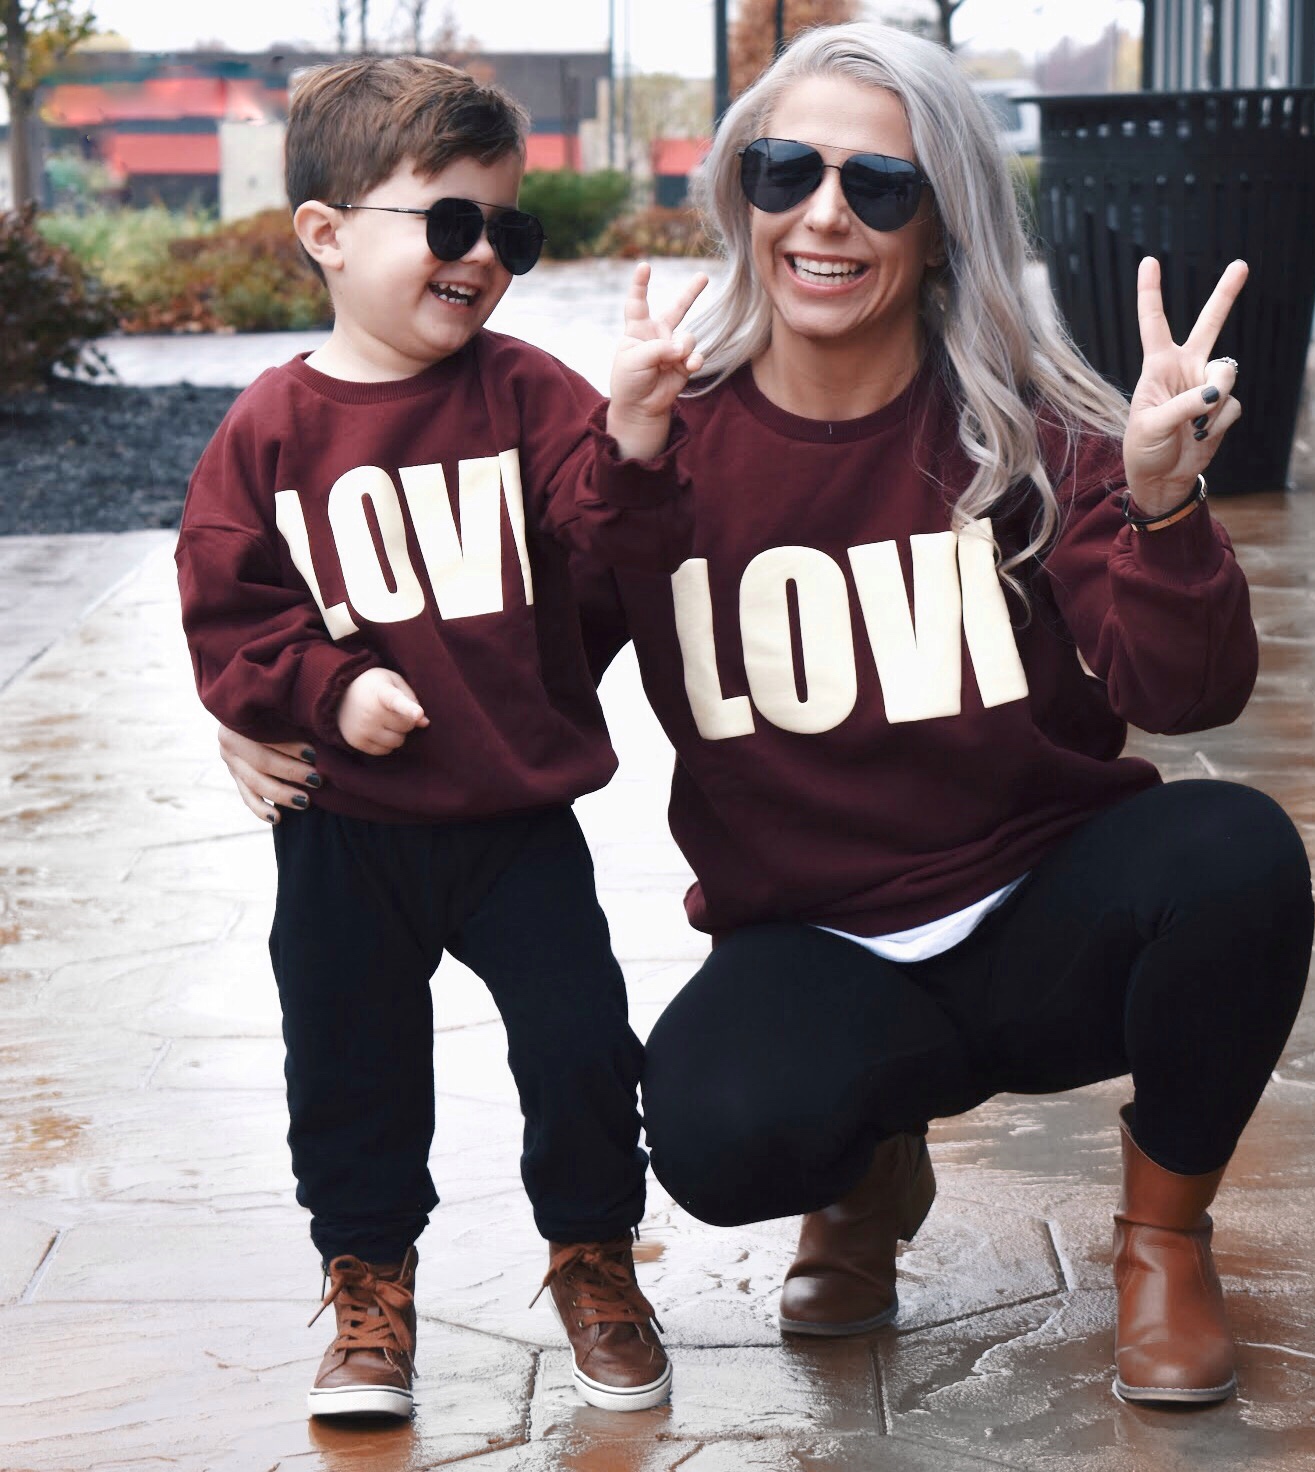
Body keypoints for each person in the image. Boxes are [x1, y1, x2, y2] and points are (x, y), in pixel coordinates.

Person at [217, 24, 1314, 1409]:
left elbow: (1186, 693)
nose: (826, 215)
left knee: (1235, 860)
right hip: (822, 941)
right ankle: (860, 1172)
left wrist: (1160, 503)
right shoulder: (654, 452)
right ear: (743, 194)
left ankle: (1163, 1241)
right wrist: (271, 699)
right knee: (717, 1127)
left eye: (882, 187)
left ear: (942, 224)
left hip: (1041, 914)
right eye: (788, 170)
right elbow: (508, 646)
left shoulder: (1028, 435)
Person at [176, 54, 706, 1420]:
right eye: (449, 223)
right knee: (347, 1061)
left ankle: (594, 1255)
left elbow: (616, 539)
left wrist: (638, 439)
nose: (483, 258)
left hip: (514, 823)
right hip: (345, 833)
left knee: (582, 1040)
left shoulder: (528, 396)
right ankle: (369, 1292)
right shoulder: (270, 434)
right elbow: (230, 607)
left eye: (507, 232)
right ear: (327, 233)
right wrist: (318, 689)